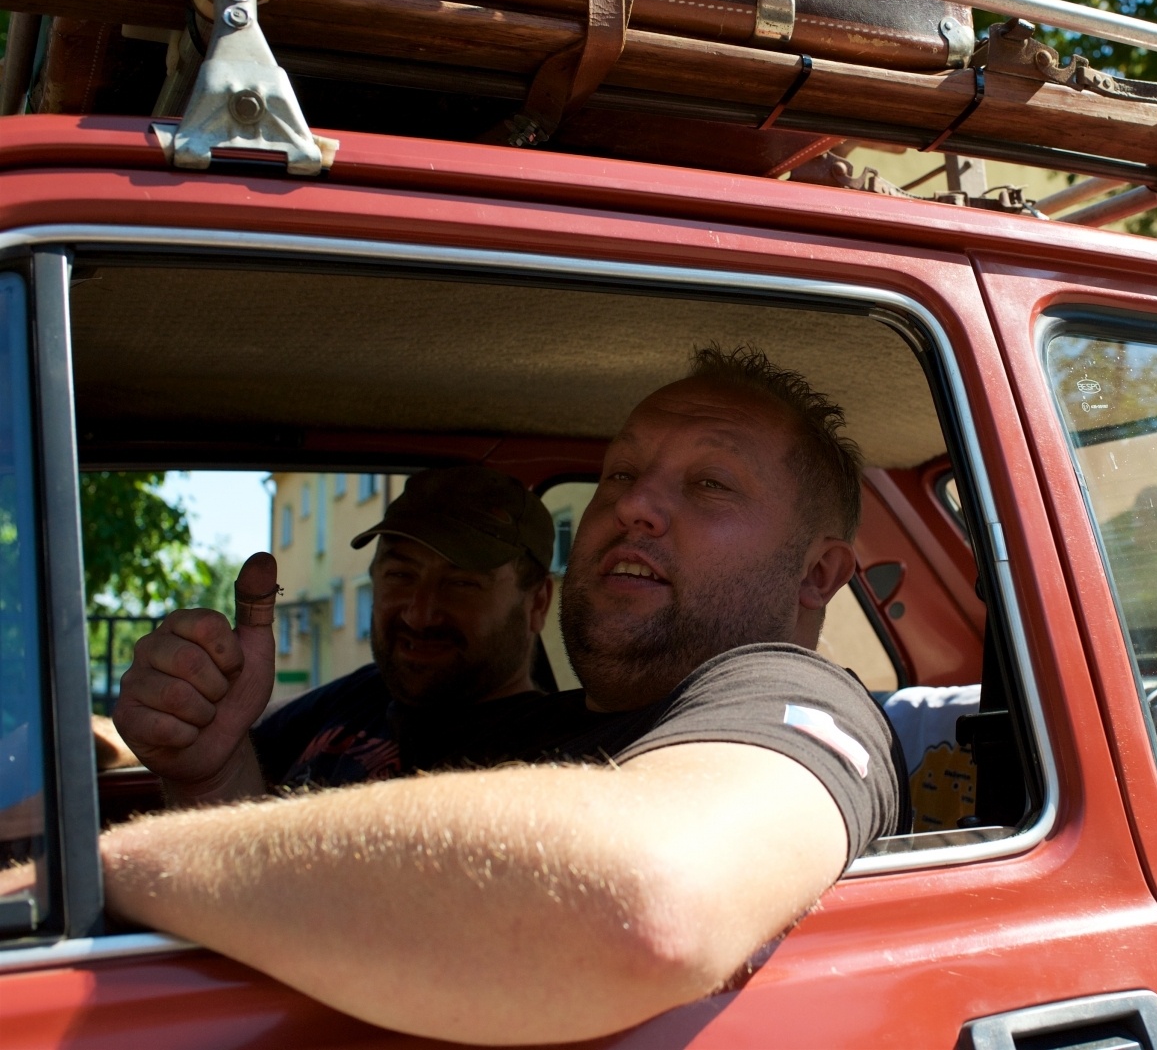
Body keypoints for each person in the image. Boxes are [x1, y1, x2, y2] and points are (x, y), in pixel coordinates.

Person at [85, 347, 904, 1045]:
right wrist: (208, 775)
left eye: (710, 484)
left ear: (818, 573)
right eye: (621, 471)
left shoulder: (803, 706)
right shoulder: (514, 727)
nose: (632, 505)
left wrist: (101, 873)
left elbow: (645, 900)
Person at [111, 465, 559, 806]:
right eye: (400, 573)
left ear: (537, 603)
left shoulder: (553, 756)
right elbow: (229, 773)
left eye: (462, 582)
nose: (419, 613)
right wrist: (197, 752)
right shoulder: (362, 694)